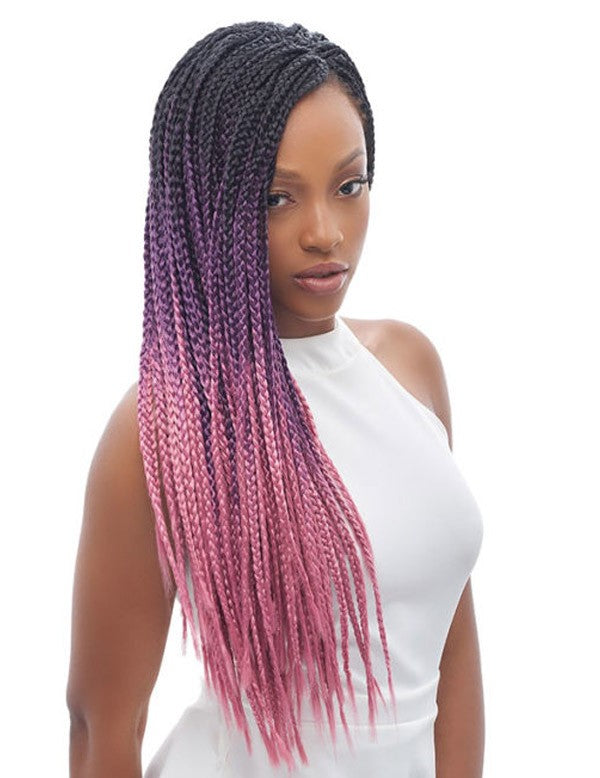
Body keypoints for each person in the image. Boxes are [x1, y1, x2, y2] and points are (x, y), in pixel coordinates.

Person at [66, 20, 485, 777]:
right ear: (206, 209)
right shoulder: (167, 424)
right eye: (275, 198)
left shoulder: (409, 367)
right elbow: (103, 724)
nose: (325, 233)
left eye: (349, 186)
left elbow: (446, 647)